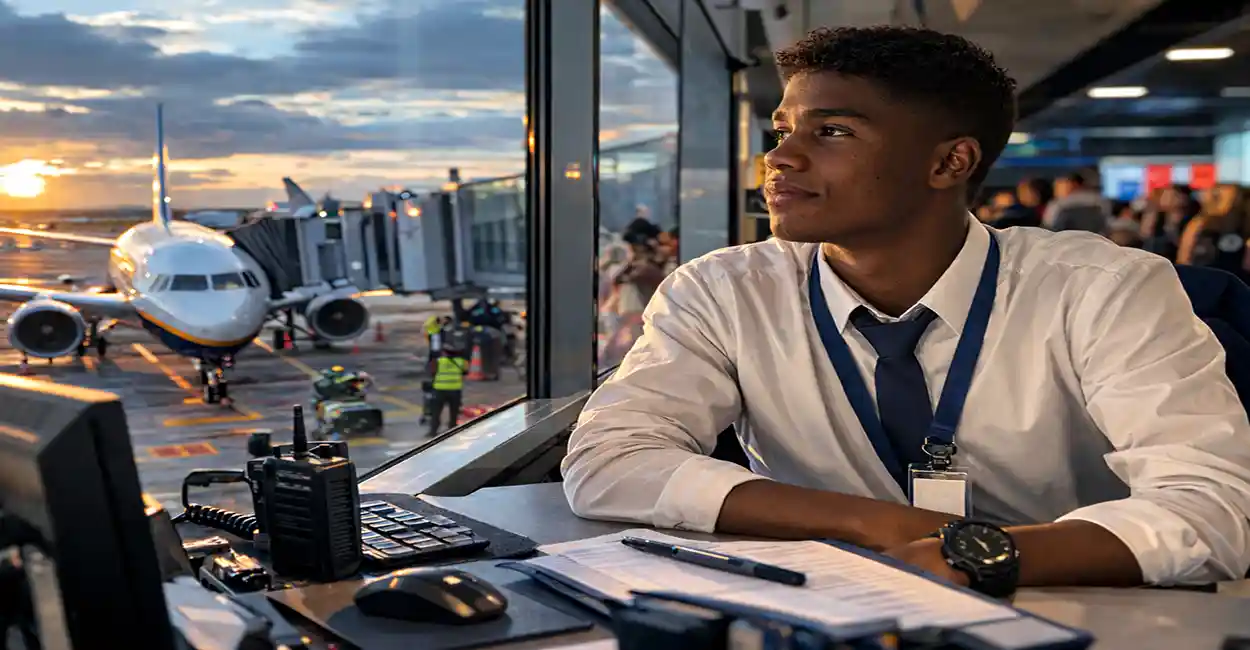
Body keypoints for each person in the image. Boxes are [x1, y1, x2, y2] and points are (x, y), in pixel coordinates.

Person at [563, 25, 1250, 593]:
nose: (780, 158)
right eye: (783, 130)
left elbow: (1213, 508)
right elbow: (609, 458)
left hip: (1080, 604)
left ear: (950, 163)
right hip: (843, 607)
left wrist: (981, 553)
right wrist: (879, 525)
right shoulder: (723, 291)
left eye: (832, 132)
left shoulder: (1104, 288)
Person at [1043, 173, 1110, 234]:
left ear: (1073, 184)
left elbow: (1048, 223)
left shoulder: (1059, 203)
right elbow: (1107, 220)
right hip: (1096, 238)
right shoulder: (1100, 200)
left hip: (1066, 240)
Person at [427, 338, 468, 436]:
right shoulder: (462, 362)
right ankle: (452, 430)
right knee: (454, 413)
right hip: (455, 391)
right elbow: (465, 372)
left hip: (439, 390)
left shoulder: (438, 361)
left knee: (436, 412)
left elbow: (431, 372)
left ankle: (433, 431)